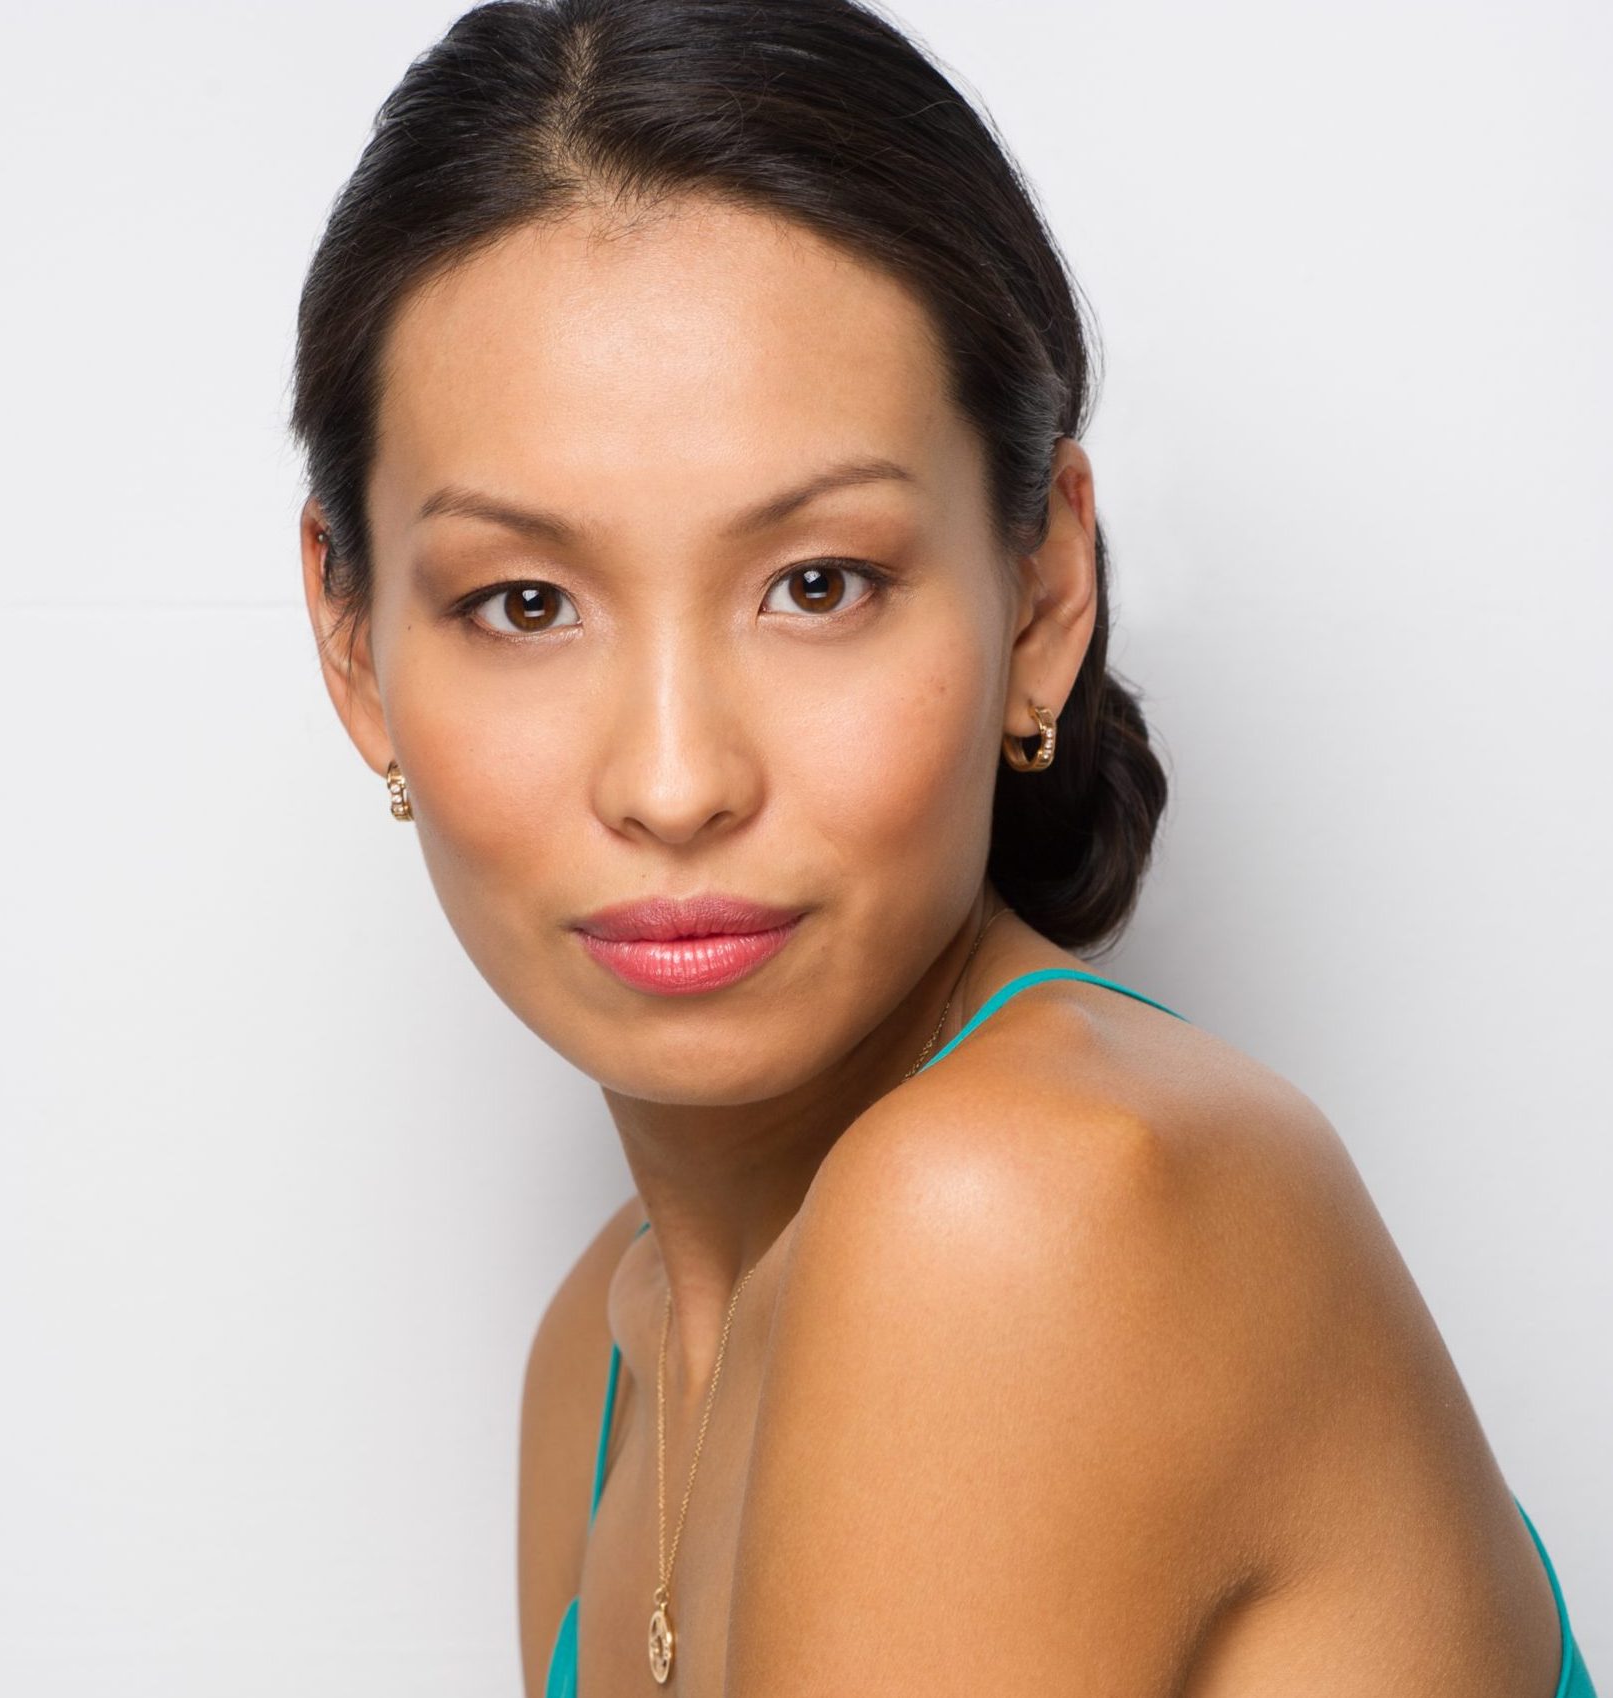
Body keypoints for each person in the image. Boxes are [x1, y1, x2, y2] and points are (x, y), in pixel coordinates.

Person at [288, 1, 1596, 1693]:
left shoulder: (1019, 1208)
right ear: (354, 648)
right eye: (524, 602)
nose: (674, 780)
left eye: (816, 583)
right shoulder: (599, 1358)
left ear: (1040, 596)